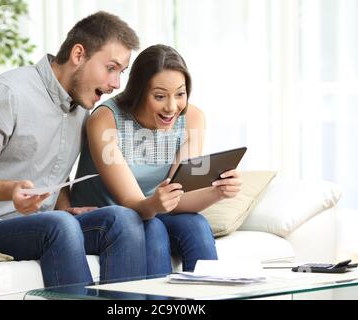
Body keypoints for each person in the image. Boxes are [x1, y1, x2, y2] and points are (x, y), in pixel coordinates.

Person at [0, 11, 153, 287]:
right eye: (110, 68)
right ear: (78, 54)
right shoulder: (8, 94)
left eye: (120, 72)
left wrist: (64, 207)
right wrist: (10, 190)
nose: (116, 84)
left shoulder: (80, 110)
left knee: (123, 219)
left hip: (43, 224)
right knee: (59, 226)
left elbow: (52, 170)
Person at [71, 44, 242, 275]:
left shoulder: (192, 118)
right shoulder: (105, 119)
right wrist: (157, 204)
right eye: (160, 96)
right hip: (110, 218)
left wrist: (218, 191)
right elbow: (131, 204)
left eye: (180, 94)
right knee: (153, 228)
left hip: (153, 212)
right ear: (139, 91)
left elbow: (179, 196)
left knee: (196, 225)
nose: (172, 107)